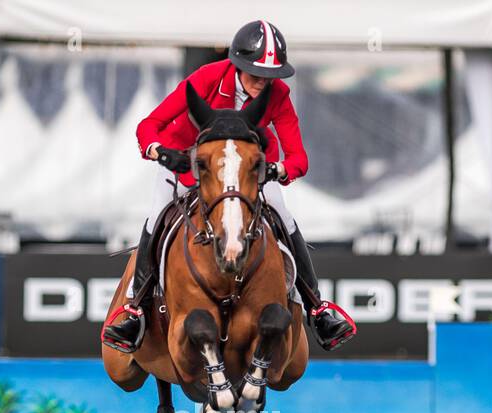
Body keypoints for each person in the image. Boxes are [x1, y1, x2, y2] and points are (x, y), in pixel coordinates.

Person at [102, 19, 356, 354]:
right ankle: (134, 308)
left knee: (284, 216)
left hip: (246, 177)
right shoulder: (207, 78)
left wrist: (276, 169)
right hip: (189, 169)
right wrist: (160, 152)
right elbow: (150, 124)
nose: (263, 84)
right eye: (255, 75)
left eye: (270, 77)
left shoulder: (278, 94)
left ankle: (316, 307)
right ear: (237, 65)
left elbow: (298, 157)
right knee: (155, 217)